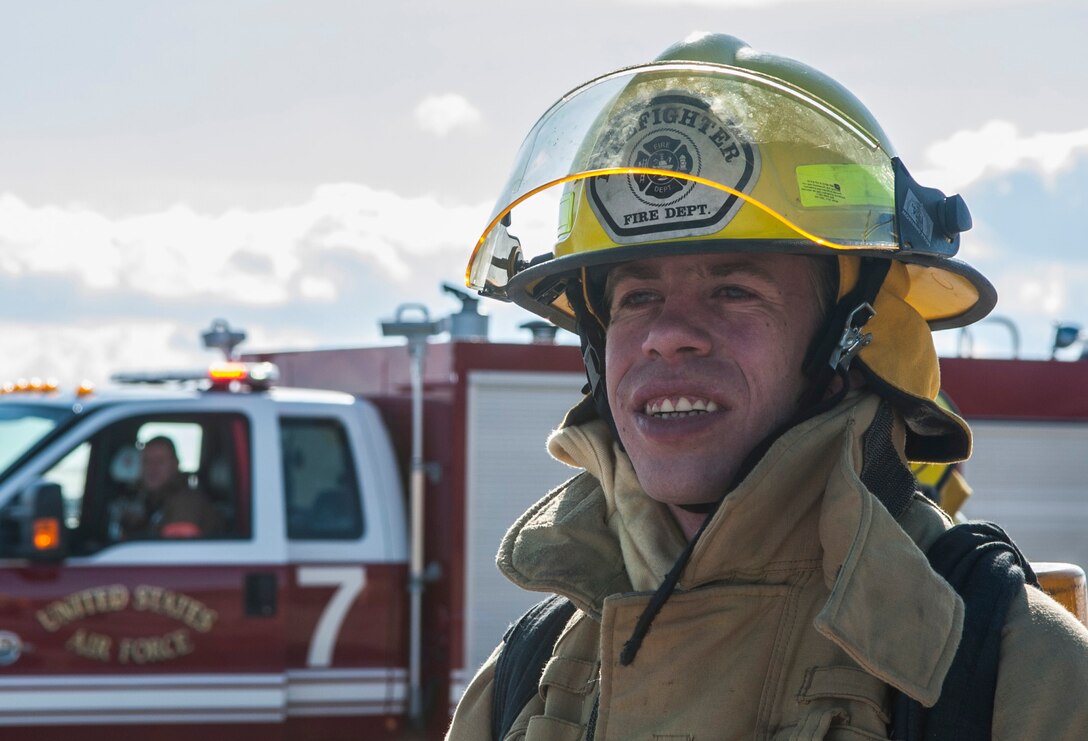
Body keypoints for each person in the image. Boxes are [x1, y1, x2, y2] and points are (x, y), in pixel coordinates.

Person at [447, 34, 1088, 740]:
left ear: (854, 331)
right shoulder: (531, 674)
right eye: (635, 297)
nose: (668, 334)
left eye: (732, 288)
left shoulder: (1008, 669)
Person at [118, 436, 223, 538]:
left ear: (175, 465)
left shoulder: (186, 504)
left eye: (160, 461)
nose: (152, 467)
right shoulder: (149, 500)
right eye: (146, 461)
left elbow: (172, 551)